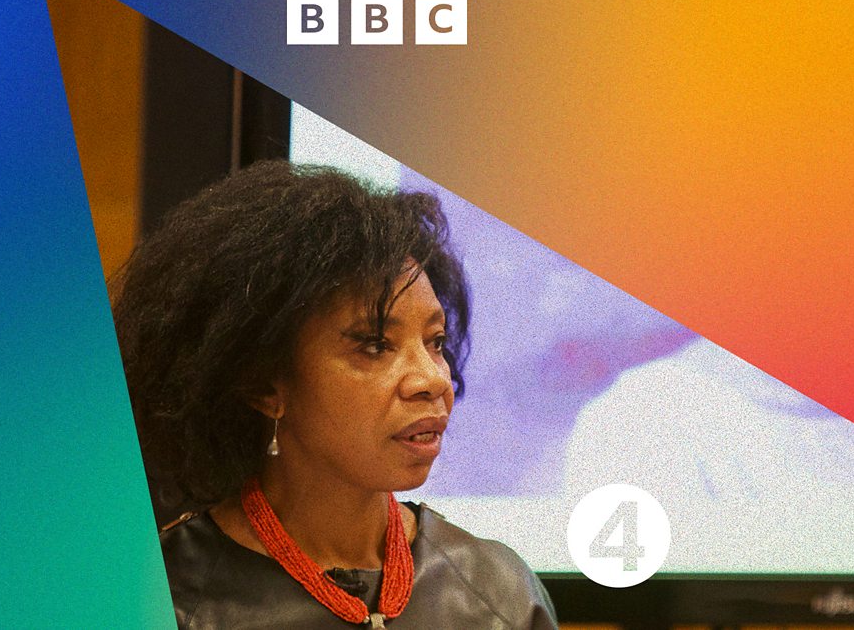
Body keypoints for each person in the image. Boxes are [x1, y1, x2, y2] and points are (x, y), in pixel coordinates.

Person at [112, 161, 558, 629]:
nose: (432, 380)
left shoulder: (498, 592)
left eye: (436, 342)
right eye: (375, 345)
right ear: (263, 384)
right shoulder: (163, 602)